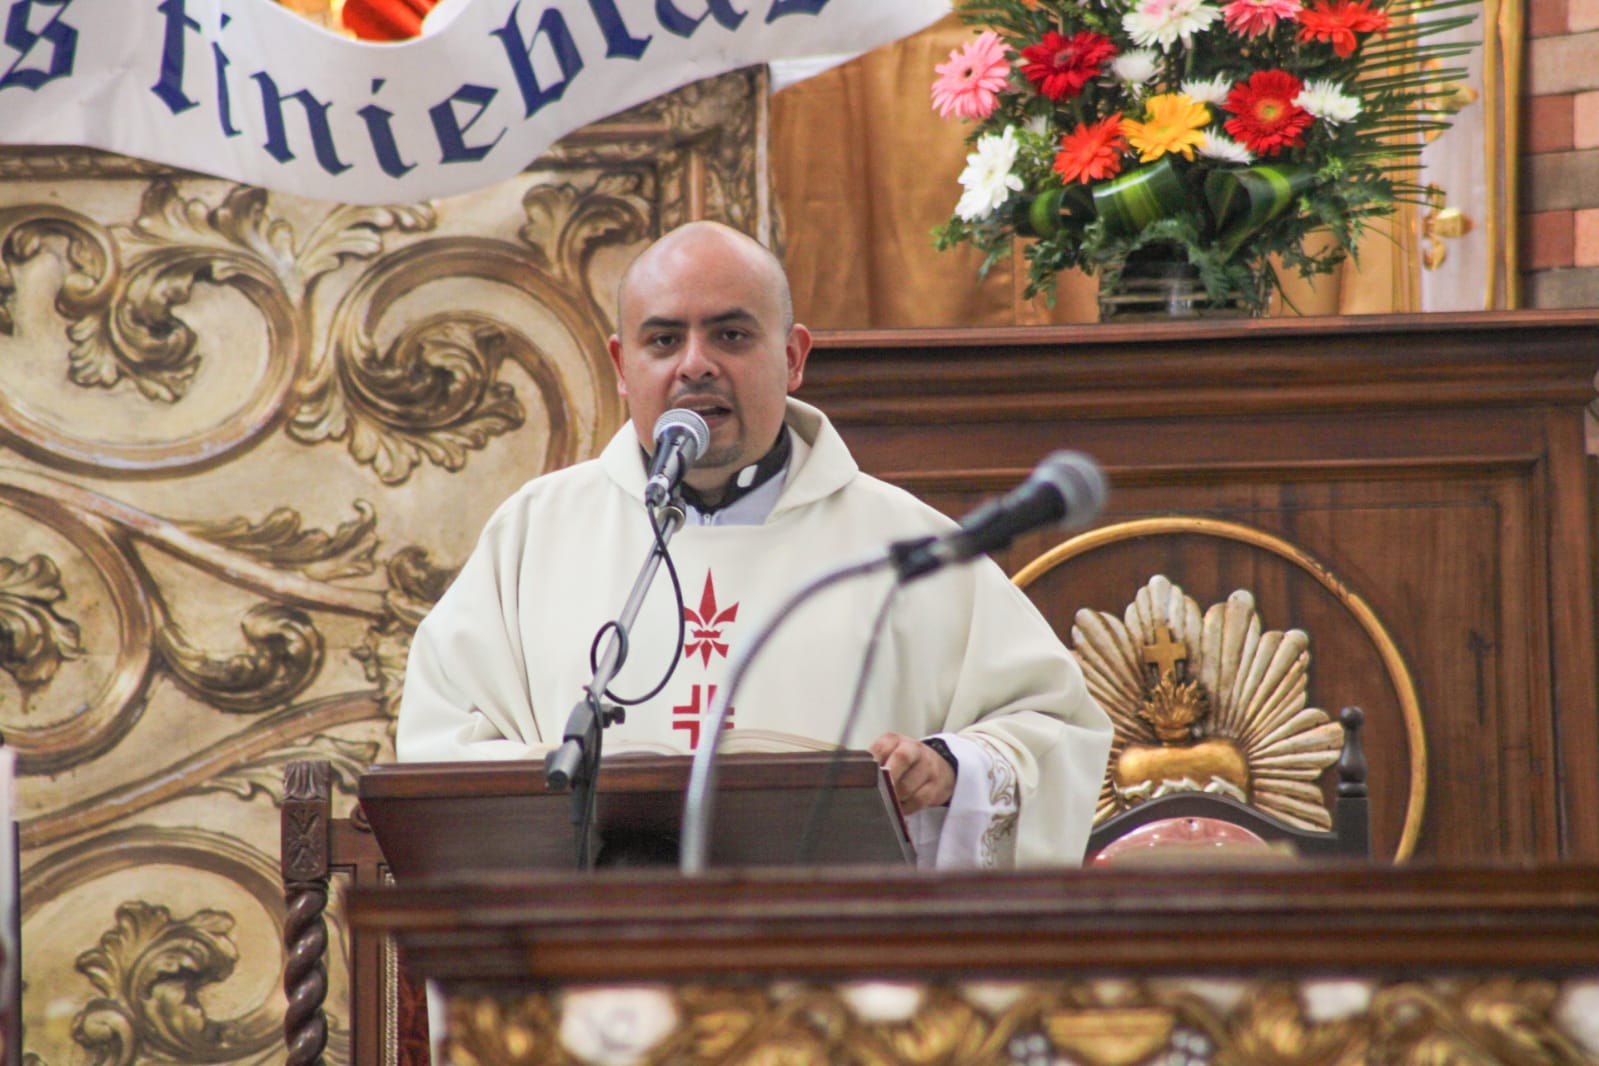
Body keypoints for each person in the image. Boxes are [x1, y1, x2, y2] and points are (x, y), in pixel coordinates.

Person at [396, 221, 1113, 867]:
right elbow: (442, 747)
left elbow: (1054, 727)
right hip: (599, 954)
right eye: (663, 340)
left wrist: (950, 767)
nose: (695, 364)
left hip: (833, 959)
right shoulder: (535, 533)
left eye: (731, 336)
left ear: (793, 357)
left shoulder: (907, 544)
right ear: (620, 365)